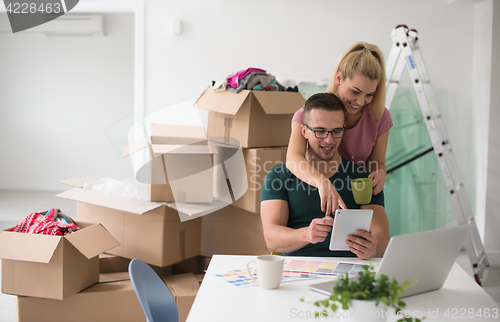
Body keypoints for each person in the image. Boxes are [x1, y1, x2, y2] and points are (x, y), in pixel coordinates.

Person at [260, 93, 390, 259]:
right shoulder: (279, 177)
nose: (329, 140)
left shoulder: (363, 178)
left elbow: (382, 235)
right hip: (297, 273)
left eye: (336, 131)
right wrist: (307, 235)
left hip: (348, 275)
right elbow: (271, 238)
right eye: (320, 131)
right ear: (304, 131)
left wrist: (373, 249)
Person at [286, 41, 392, 217]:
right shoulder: (306, 114)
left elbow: (377, 163)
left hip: (355, 197)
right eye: (355, 92)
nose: (360, 102)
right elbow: (293, 158)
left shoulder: (380, 116)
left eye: (369, 95)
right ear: (339, 78)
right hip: (316, 192)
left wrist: (381, 173)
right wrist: (322, 182)